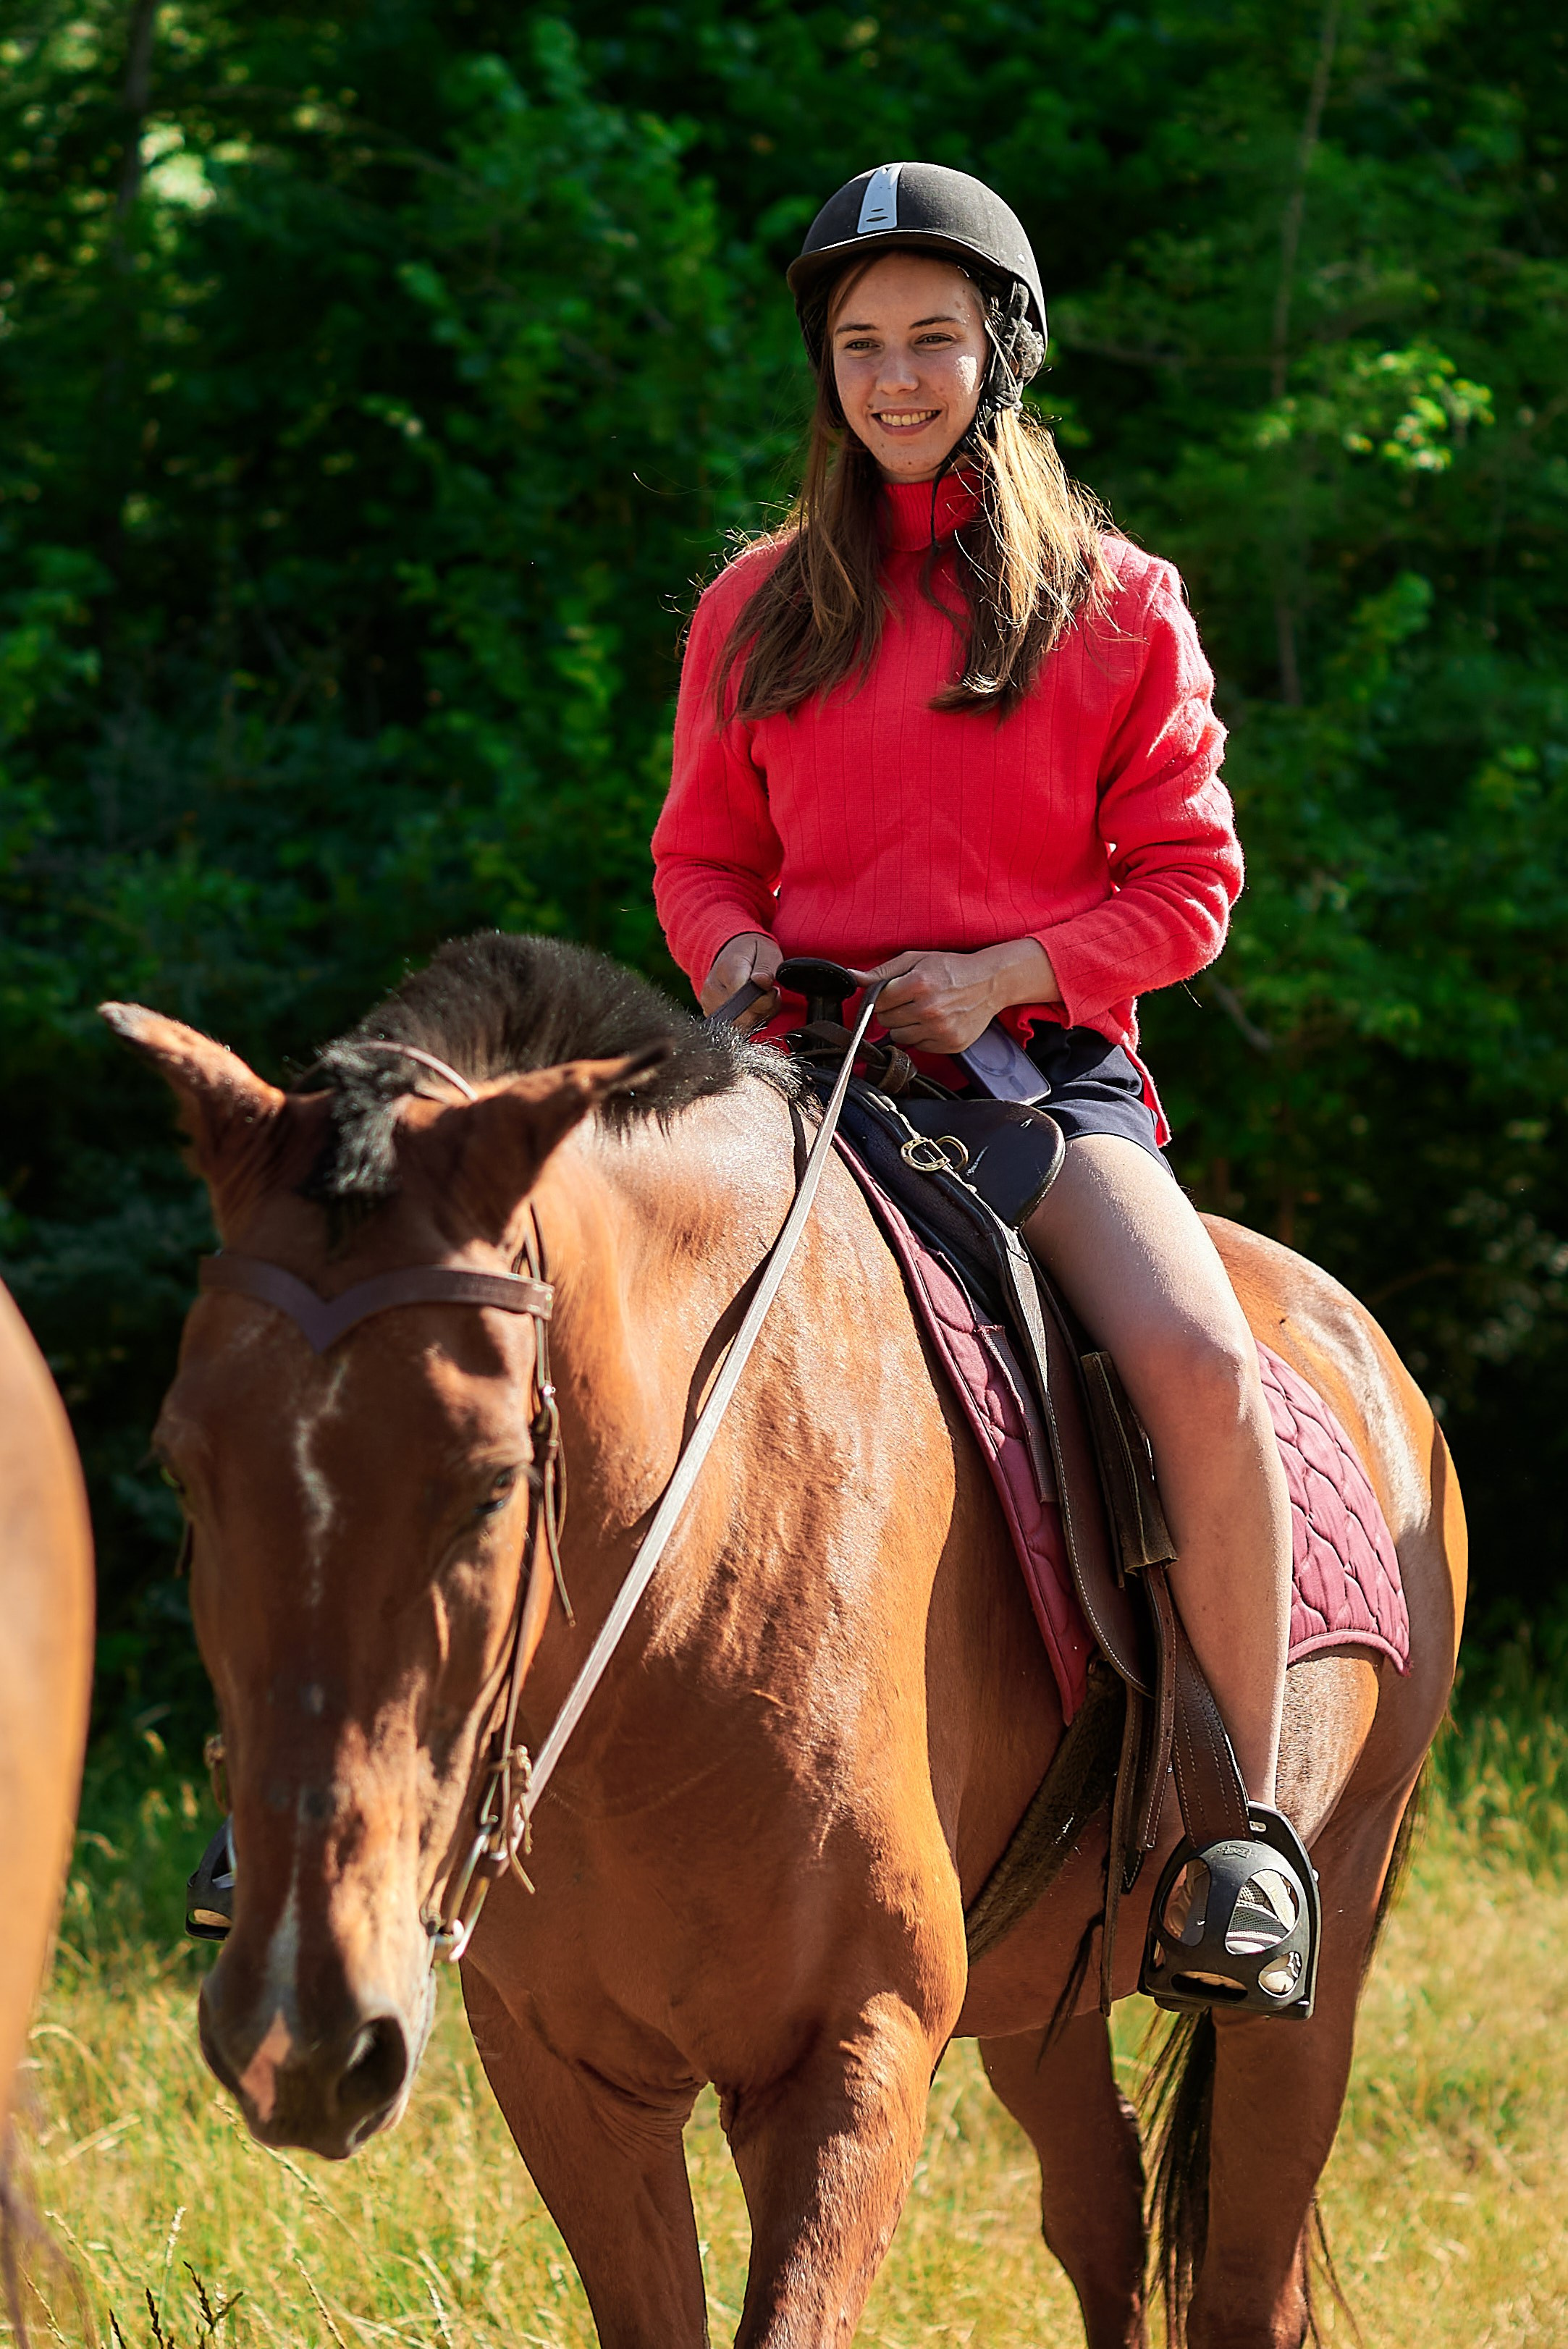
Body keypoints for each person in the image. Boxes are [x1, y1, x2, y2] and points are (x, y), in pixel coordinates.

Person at [651, 163, 1296, 1892]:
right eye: (861, 344)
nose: (895, 379)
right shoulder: (753, 608)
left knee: (1201, 1361)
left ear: (1002, 351)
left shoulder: (1118, 603)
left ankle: (1235, 1835)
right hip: (796, 1078)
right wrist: (731, 959)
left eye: (932, 338)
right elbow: (700, 858)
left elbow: (1189, 888)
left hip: (1036, 1085)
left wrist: (1008, 974)